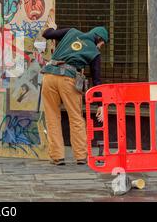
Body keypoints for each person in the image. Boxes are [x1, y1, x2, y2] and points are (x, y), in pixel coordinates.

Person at [41, 17, 108, 166]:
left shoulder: (71, 32)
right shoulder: (95, 52)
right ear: (99, 39)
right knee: (76, 117)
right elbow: (97, 81)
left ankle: (57, 156)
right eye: (102, 44)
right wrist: (100, 105)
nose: (101, 47)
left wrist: (51, 27)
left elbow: (47, 34)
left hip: (49, 75)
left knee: (52, 117)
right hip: (68, 79)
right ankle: (80, 156)